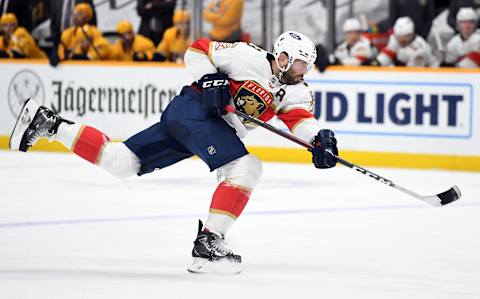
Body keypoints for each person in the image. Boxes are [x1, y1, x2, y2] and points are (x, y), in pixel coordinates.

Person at [9, 31, 338, 274]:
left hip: (197, 124)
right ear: (281, 55)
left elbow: (300, 121)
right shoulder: (246, 56)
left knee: (122, 162)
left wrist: (320, 139)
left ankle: (50, 125)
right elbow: (197, 50)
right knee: (245, 167)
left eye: (305, 67)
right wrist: (210, 79)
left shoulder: (297, 91)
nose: (301, 71)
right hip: (194, 111)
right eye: (297, 63)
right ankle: (209, 242)